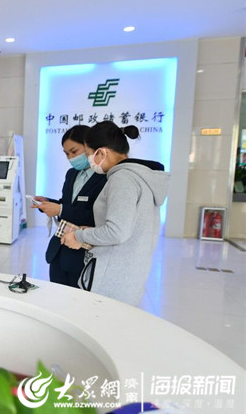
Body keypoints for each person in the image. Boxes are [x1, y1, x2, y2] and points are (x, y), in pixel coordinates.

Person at [61, 121, 169, 305]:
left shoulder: (122, 179)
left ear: (102, 153)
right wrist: (92, 232)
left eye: (89, 155)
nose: (89, 161)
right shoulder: (142, 177)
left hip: (112, 278)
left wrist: (78, 236)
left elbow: (117, 231)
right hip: (129, 273)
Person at [33, 125, 106, 287]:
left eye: (74, 151)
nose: (71, 158)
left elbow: (96, 217)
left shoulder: (105, 177)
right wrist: (49, 203)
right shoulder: (72, 174)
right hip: (58, 249)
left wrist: (60, 209)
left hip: (81, 252)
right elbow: (68, 204)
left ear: (90, 147)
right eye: (66, 154)